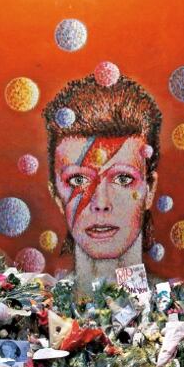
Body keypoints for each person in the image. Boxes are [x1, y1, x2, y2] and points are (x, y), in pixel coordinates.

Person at [43, 74, 161, 292]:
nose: (101, 202)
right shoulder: (33, 311)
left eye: (123, 179)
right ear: (56, 194)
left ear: (150, 189)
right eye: (78, 180)